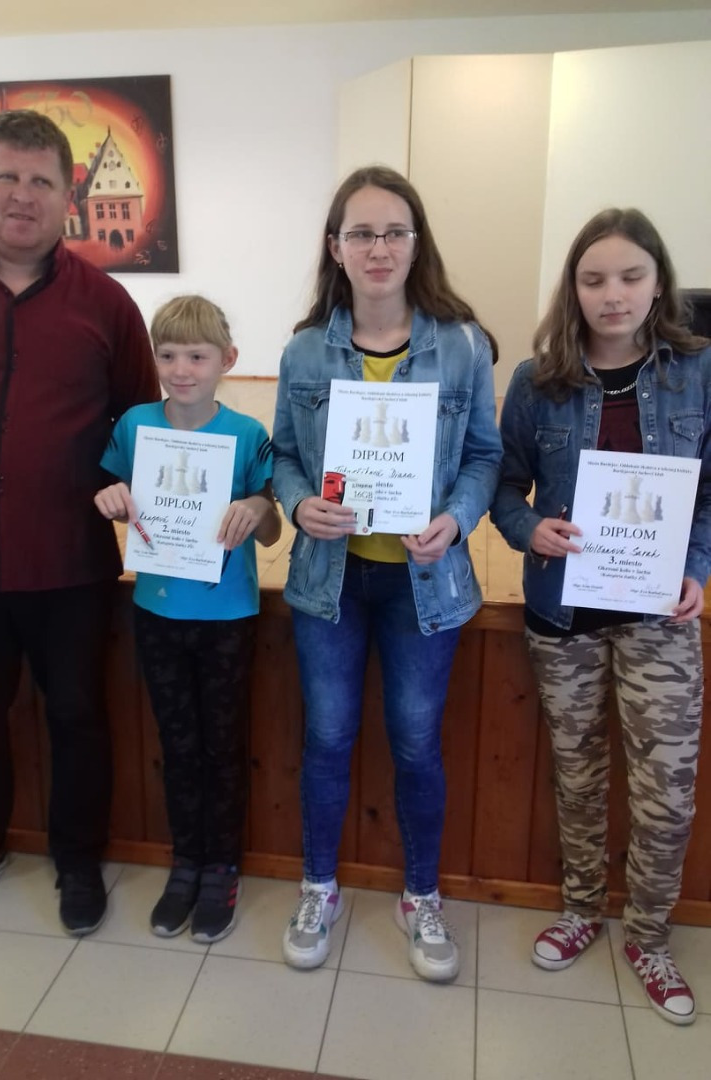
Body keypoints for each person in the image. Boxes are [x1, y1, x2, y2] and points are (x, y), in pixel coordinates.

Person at [0, 110, 159, 934]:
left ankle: (78, 860)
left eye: (41, 180)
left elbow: (136, 422)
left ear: (68, 196)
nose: (23, 195)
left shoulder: (107, 303)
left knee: (77, 714)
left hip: (68, 561)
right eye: (6, 177)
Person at [272, 165, 502, 981]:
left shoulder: (461, 346)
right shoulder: (304, 350)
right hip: (329, 581)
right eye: (361, 233)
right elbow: (284, 459)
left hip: (422, 585)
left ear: (415, 243)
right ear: (335, 246)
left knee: (414, 741)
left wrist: (457, 519)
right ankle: (319, 887)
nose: (378, 248)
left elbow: (483, 458)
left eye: (393, 232)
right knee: (328, 737)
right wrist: (298, 505)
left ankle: (420, 896)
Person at [490, 208, 711, 1025]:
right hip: (564, 612)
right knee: (577, 778)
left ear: (657, 283)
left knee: (666, 797)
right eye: (593, 280)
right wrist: (528, 527)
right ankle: (581, 907)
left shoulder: (698, 371)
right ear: (572, 289)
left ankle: (647, 938)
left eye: (629, 277)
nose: (611, 294)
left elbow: (709, 495)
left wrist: (696, 568)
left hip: (658, 616)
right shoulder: (536, 380)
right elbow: (502, 484)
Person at [95, 295, 281, 943]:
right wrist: (109, 497)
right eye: (168, 355)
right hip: (157, 611)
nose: (181, 370)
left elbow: (272, 526)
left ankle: (221, 867)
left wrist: (258, 509)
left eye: (197, 357)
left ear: (227, 360)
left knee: (221, 747)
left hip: (228, 616)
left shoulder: (247, 435)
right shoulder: (135, 426)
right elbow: (110, 491)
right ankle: (186, 863)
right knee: (176, 746)